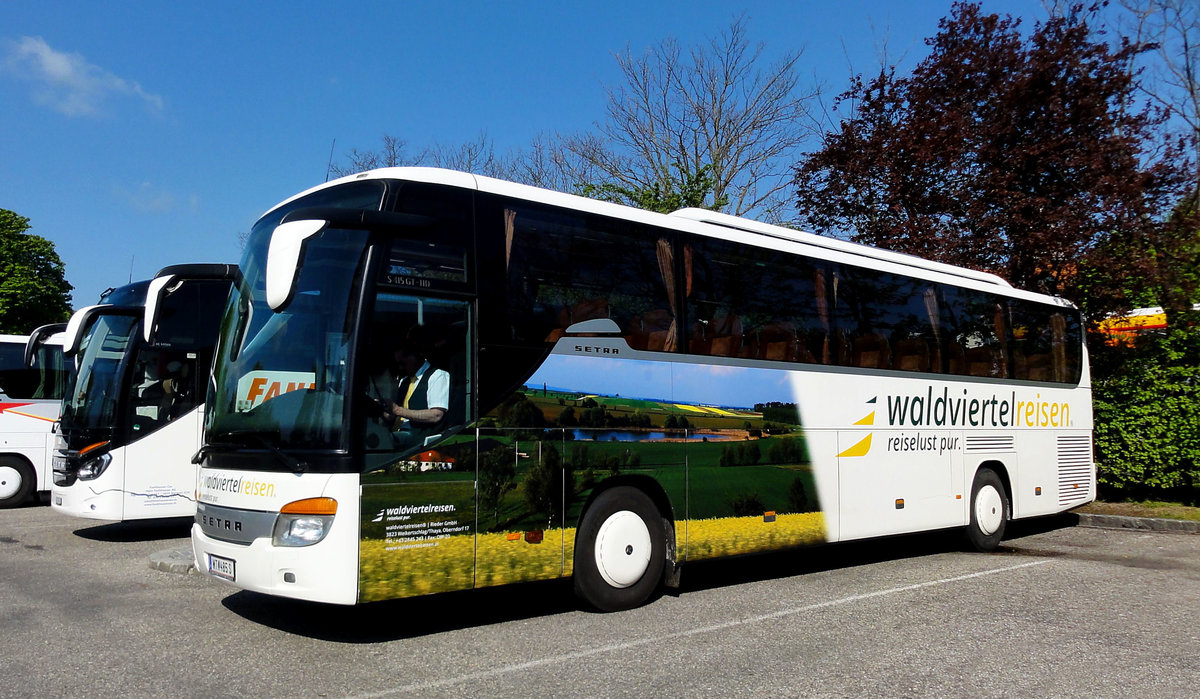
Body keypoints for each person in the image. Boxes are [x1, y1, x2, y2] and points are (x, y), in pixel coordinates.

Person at [373, 326, 450, 447]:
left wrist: (397, 409)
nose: (400, 368)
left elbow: (436, 415)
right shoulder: (404, 381)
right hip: (398, 433)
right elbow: (394, 417)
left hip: (418, 439)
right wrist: (380, 408)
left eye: (402, 363)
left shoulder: (438, 376)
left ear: (415, 356)